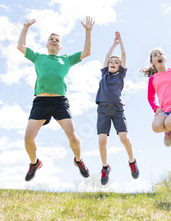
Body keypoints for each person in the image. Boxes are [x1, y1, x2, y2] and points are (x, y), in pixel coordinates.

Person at [17, 16, 95, 182]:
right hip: (41, 102)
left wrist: (88, 31)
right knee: (28, 138)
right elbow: (20, 46)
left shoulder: (66, 59)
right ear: (47, 44)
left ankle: (79, 160)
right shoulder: (38, 57)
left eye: (56, 40)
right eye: (51, 39)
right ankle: (34, 163)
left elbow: (87, 52)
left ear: (60, 46)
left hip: (60, 102)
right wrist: (25, 28)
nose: (53, 41)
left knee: (73, 137)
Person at [96, 31, 139, 185]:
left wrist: (120, 42)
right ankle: (105, 168)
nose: (113, 63)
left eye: (116, 62)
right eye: (111, 62)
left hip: (117, 109)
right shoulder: (104, 74)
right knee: (102, 141)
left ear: (120, 66)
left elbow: (124, 54)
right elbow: (107, 57)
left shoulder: (120, 75)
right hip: (103, 109)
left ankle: (132, 162)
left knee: (124, 138)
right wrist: (113, 45)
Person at [141, 47, 171, 149]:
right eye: (155, 55)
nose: (158, 55)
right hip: (164, 111)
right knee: (156, 127)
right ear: (152, 62)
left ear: (165, 58)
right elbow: (150, 97)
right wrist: (156, 108)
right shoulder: (152, 79)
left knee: (169, 123)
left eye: (161, 53)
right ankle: (168, 130)